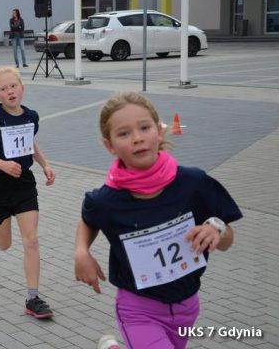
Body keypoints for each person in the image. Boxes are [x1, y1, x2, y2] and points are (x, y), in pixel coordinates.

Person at [74, 92, 243, 349]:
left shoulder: (194, 183)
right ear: (110, 146)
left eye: (144, 128)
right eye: (124, 133)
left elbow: (227, 241)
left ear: (159, 131)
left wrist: (216, 229)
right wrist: (81, 252)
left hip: (187, 306)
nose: (138, 138)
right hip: (138, 310)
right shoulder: (106, 201)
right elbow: (88, 219)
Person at [0, 67, 56, 319]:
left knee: (31, 240)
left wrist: (45, 164)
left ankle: (33, 298)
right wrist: (2, 165)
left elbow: (30, 142)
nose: (10, 92)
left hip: (24, 183)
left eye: (13, 86)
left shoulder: (31, 116)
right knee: (4, 245)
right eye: (3, 89)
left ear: (22, 88)